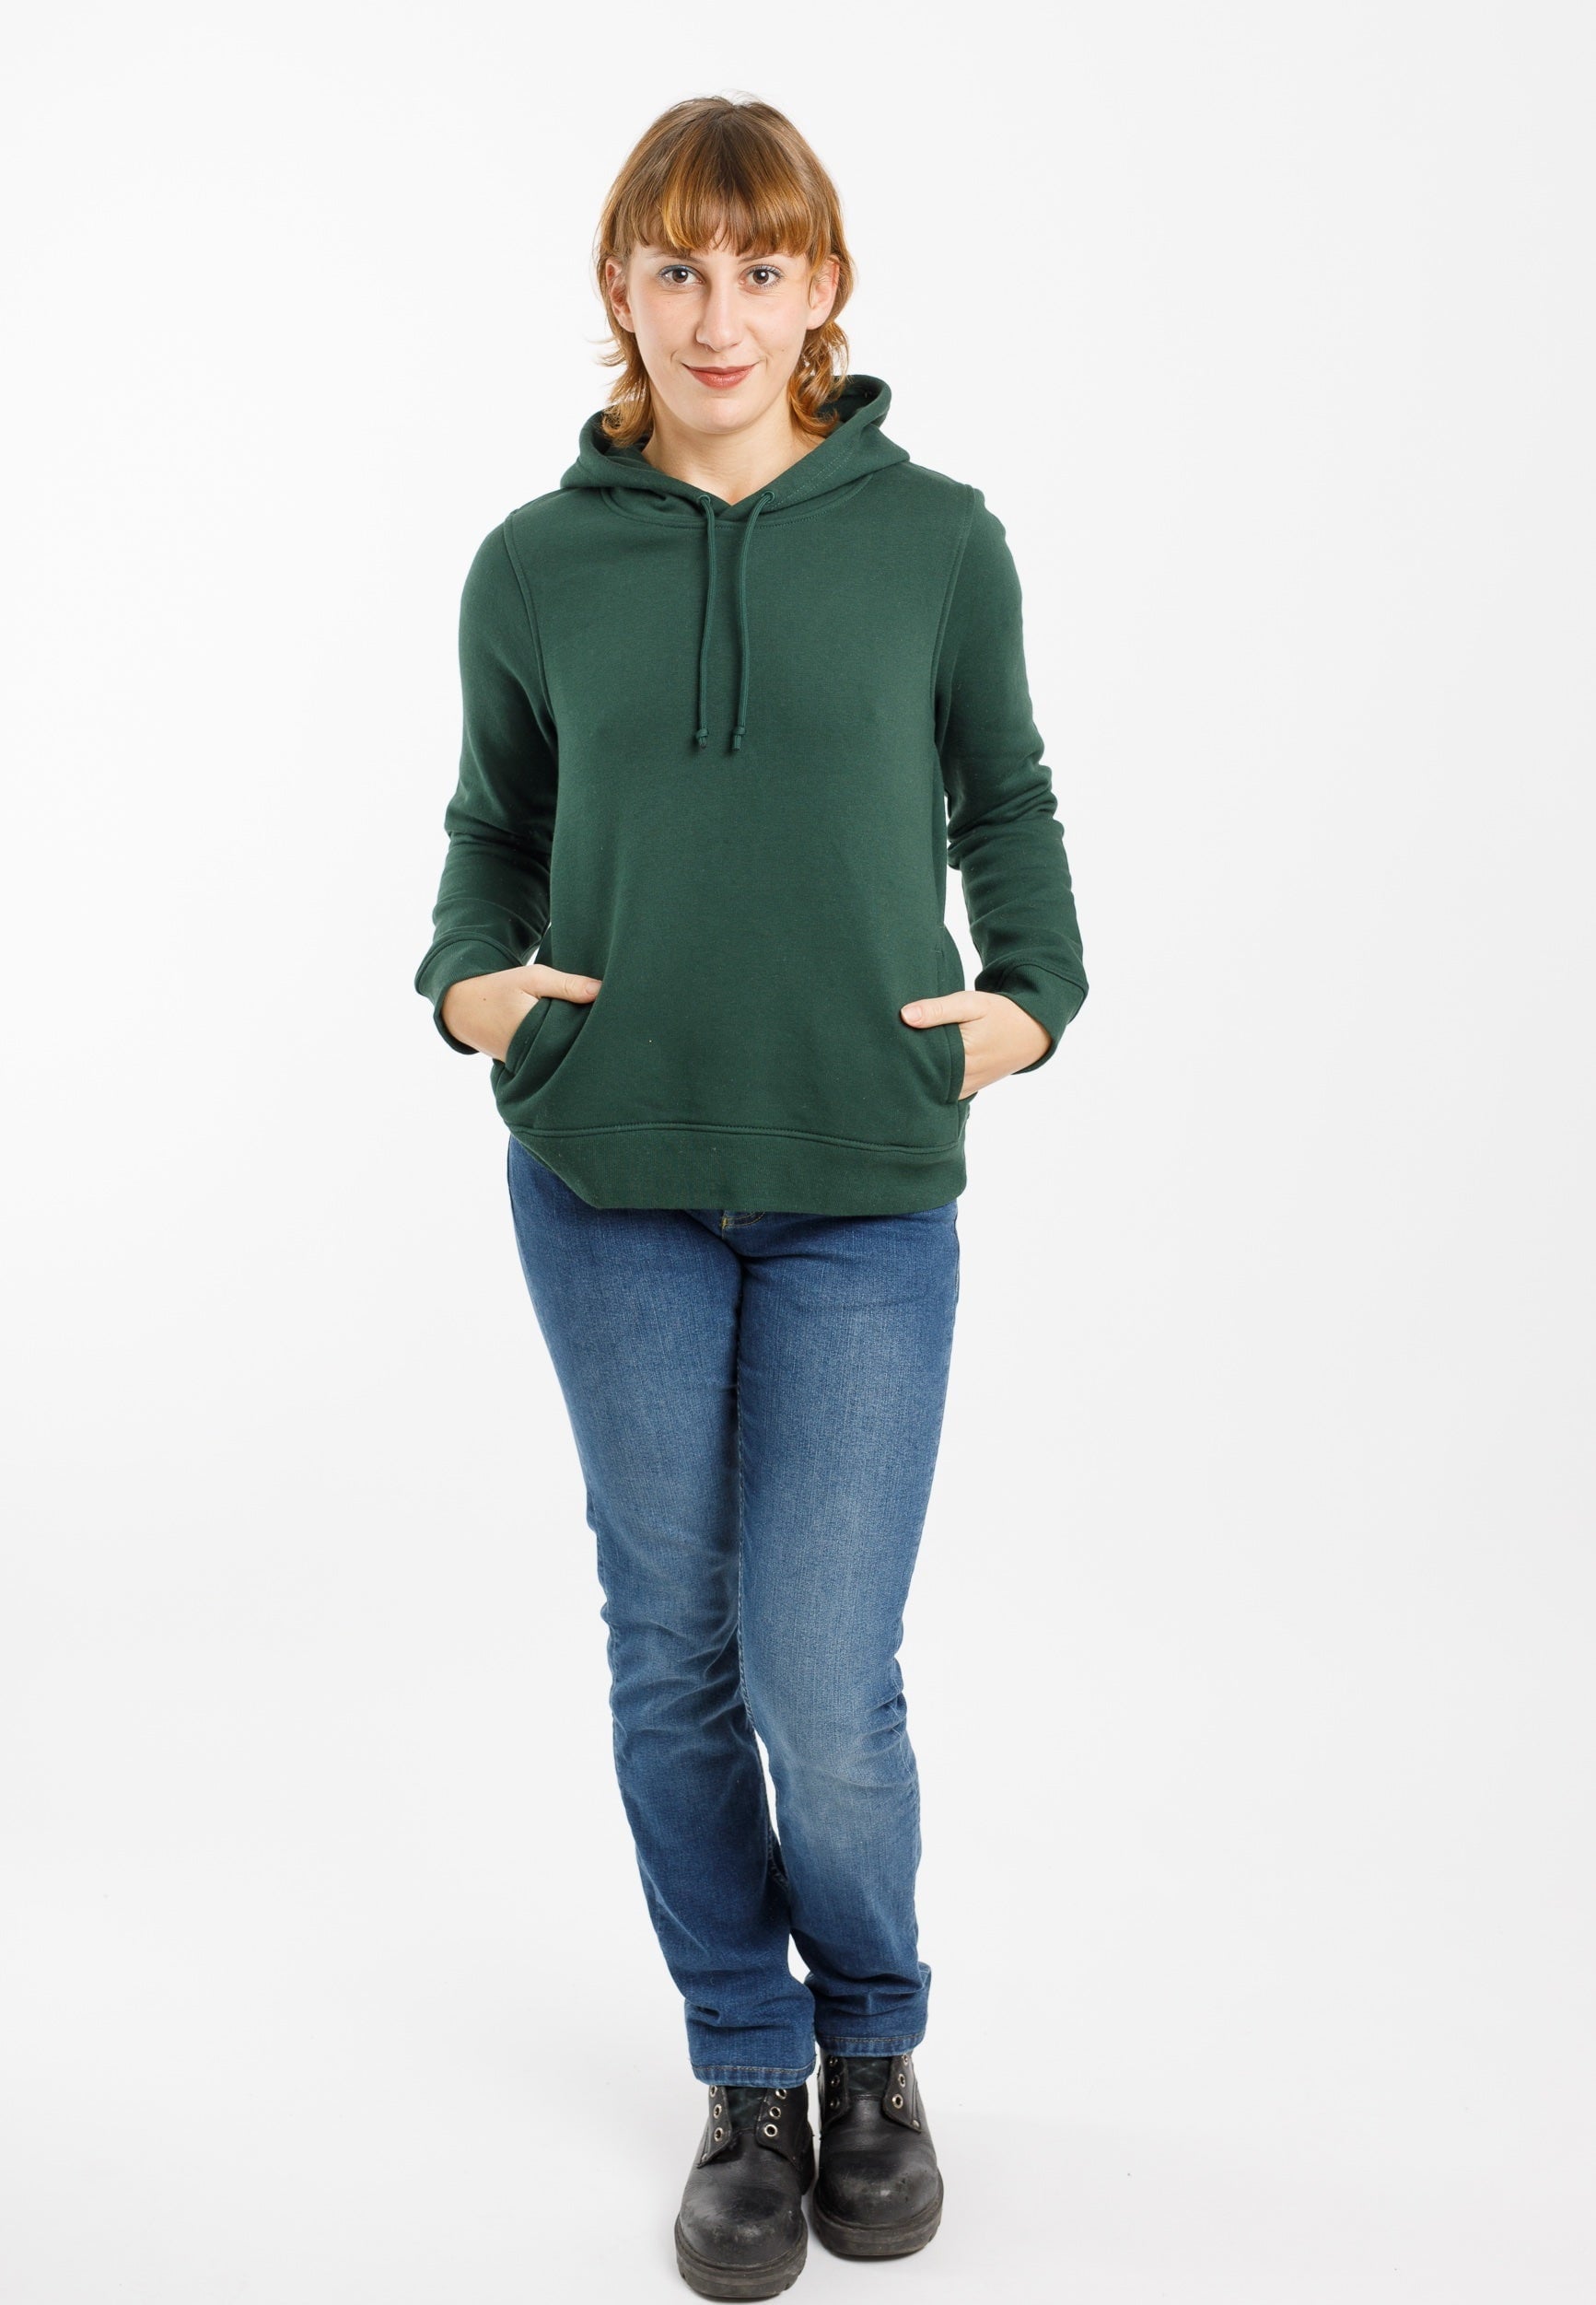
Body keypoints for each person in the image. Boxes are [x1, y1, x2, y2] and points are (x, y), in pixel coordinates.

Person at [414, 93, 1089, 2301]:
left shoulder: (940, 539)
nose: (719, 314)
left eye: (762, 268)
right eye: (678, 269)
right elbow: (492, 829)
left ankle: (873, 2037)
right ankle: (747, 2064)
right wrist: (472, 989)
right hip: (609, 1175)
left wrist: (1031, 999)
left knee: (823, 1664)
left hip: (860, 1188)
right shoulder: (535, 561)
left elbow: (1006, 792)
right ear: (619, 288)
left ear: (826, 291)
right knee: (672, 1652)